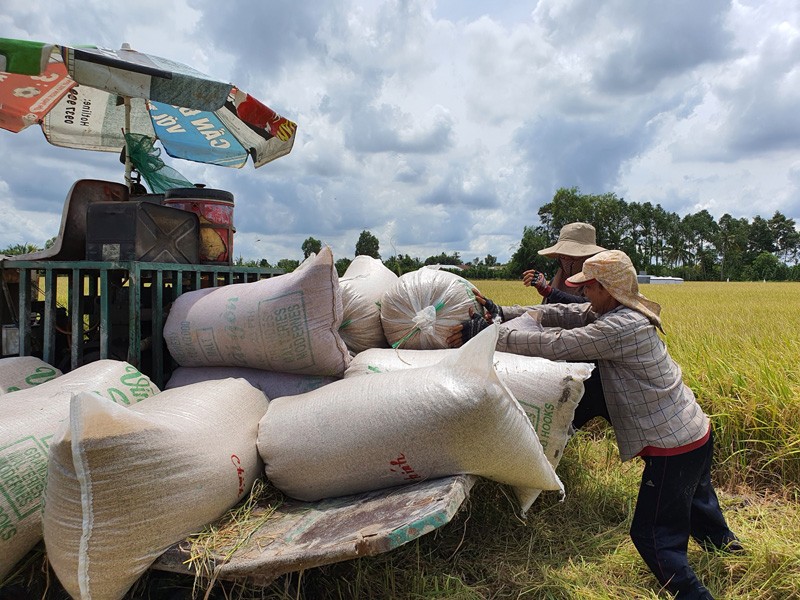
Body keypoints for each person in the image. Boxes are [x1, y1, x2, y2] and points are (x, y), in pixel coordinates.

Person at [450, 250, 741, 600]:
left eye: (589, 287)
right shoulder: (613, 309)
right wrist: (501, 314)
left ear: (607, 288)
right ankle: (732, 555)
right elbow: (557, 312)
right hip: (694, 431)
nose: (583, 293)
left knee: (652, 535)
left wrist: (490, 334)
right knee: (696, 500)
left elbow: (558, 344)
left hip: (673, 446)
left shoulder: (621, 326)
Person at [524, 222, 609, 428]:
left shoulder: (600, 278)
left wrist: (550, 293)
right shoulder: (560, 278)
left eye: (574, 257)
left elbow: (589, 310)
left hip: (592, 356)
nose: (568, 261)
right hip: (561, 351)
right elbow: (549, 314)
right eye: (564, 257)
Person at [523, 222, 606, 304]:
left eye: (573, 255)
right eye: (563, 256)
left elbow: (590, 305)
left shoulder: (601, 279)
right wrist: (543, 287)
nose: (566, 260)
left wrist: (549, 291)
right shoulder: (557, 279)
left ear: (588, 256)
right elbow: (544, 310)